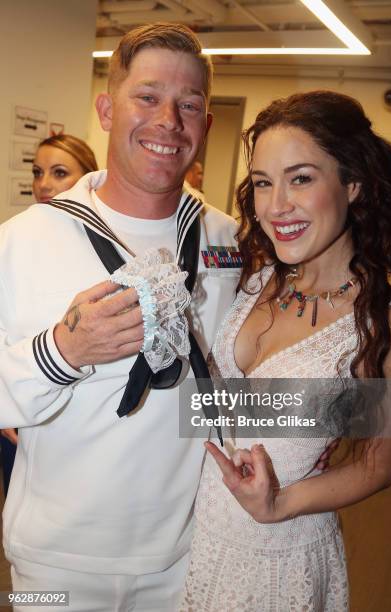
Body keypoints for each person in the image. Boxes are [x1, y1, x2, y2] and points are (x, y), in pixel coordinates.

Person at [0, 23, 240, 611]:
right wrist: (61, 354)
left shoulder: (228, 239)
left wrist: (354, 419)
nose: (169, 121)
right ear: (107, 109)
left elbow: (231, 386)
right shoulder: (21, 241)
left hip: (184, 554)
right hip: (55, 564)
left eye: (189, 105)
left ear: (205, 126)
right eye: (148, 97)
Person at [180, 91, 391, 611]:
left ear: (353, 184)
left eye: (301, 178)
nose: (276, 207)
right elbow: (223, 408)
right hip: (194, 536)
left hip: (280, 558)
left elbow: (379, 466)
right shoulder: (254, 276)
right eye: (265, 183)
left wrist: (280, 503)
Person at [0, 134, 98, 496]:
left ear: (89, 176)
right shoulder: (13, 240)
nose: (44, 184)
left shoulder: (107, 246)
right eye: (38, 172)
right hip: (23, 422)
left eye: (59, 173)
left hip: (86, 428)